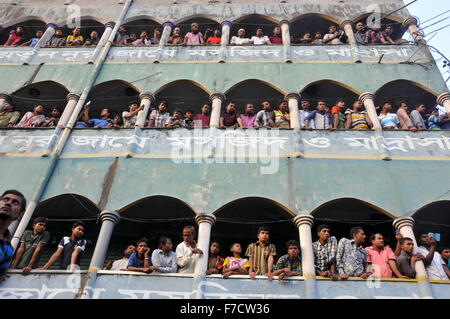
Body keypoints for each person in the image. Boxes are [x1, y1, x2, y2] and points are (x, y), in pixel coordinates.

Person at [0, 190, 26, 282]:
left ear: (20, 214)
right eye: (5, 200)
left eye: (15, 202)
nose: (8, 203)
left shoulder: (8, 250)